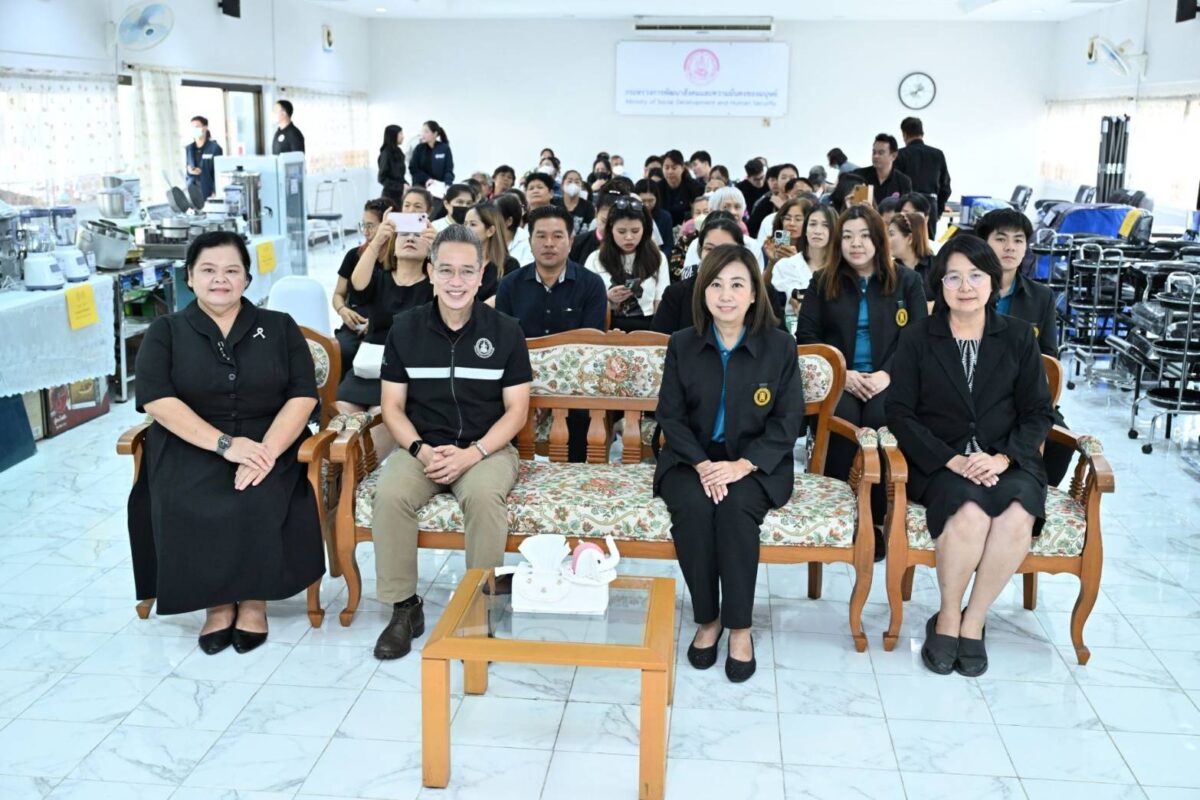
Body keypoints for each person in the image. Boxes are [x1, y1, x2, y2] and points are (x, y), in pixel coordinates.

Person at [128, 231, 323, 654]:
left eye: (232, 270)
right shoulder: (166, 331)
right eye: (209, 270)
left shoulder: (279, 327)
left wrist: (265, 452)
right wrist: (226, 445)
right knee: (189, 497)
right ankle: (216, 603)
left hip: (270, 439)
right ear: (190, 277)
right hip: (190, 441)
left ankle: (254, 600)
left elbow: (303, 396)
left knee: (261, 494)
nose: (221, 280)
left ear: (247, 279)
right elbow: (158, 400)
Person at [886, 235, 1054, 677]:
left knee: (1016, 514)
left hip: (1008, 460)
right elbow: (899, 412)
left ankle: (973, 620)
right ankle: (947, 616)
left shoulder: (1017, 336)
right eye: (953, 277)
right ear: (939, 284)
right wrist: (951, 459)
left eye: (976, 276)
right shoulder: (918, 336)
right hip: (941, 462)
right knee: (971, 514)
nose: (965, 287)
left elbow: (1039, 412)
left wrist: (1003, 458)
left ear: (993, 282)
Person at [371, 225, 532, 660]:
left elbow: (516, 411)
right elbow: (392, 407)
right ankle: (404, 608)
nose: (456, 281)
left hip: (487, 448)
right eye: (446, 270)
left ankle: (481, 606)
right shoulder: (405, 329)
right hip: (422, 446)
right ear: (430, 273)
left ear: (481, 276)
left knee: (483, 497)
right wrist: (420, 449)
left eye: (466, 271)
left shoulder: (506, 331)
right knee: (390, 494)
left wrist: (472, 454)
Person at [655, 243, 803, 683]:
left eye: (737, 285)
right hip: (691, 460)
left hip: (756, 464)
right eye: (716, 284)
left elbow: (788, 421)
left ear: (755, 293)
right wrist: (703, 465)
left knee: (736, 509)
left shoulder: (779, 346)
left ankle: (740, 627)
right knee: (693, 508)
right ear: (702, 292)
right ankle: (709, 620)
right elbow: (670, 417)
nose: (726, 295)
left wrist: (742, 466)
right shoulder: (683, 344)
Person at [796, 205, 928, 553]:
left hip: (890, 379)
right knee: (844, 419)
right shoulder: (823, 281)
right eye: (848, 236)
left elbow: (918, 338)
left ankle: (877, 519)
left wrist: (887, 374)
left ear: (879, 240)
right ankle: (840, 513)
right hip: (841, 379)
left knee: (883, 418)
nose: (856, 244)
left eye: (865, 236)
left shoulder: (908, 281)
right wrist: (843, 373)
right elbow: (806, 337)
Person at [496, 205, 607, 463]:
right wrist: (533, 393)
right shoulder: (510, 285)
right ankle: (511, 470)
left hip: (574, 385)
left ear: (571, 241)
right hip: (519, 382)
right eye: (541, 236)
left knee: (581, 414)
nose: (549, 243)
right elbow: (504, 345)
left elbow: (589, 347)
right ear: (530, 241)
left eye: (557, 236)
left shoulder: (591, 285)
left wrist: (551, 395)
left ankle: (575, 475)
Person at [975, 210, 1072, 487]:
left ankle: (1035, 494)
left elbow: (1048, 358)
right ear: (984, 243)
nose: (1010, 247)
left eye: (1018, 240)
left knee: (1060, 441)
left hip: (1023, 395)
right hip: (972, 392)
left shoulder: (1041, 297)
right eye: (1001, 239)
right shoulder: (967, 291)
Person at [336, 201, 436, 454]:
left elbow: (449, 301)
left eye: (418, 235)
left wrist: (439, 249)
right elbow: (357, 285)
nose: (410, 238)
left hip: (406, 373)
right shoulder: (379, 278)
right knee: (344, 413)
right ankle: (345, 470)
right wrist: (378, 239)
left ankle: (361, 473)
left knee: (381, 416)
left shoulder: (433, 285)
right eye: (404, 234)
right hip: (368, 368)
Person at [584, 198, 669, 332]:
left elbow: (660, 302)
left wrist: (658, 335)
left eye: (635, 231)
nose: (629, 237)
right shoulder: (595, 259)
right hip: (606, 327)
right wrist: (606, 298)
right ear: (610, 230)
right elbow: (585, 301)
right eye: (621, 232)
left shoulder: (658, 257)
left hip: (647, 329)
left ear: (645, 229)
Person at [654, 215, 750, 335]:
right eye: (709, 249)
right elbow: (658, 341)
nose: (716, 255)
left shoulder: (755, 292)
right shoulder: (676, 294)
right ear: (700, 252)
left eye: (725, 249)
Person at [332, 198, 395, 377]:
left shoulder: (399, 260)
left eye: (371, 226)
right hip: (354, 325)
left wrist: (376, 322)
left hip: (385, 327)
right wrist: (343, 310)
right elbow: (338, 294)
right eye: (363, 225)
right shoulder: (353, 256)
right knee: (343, 351)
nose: (365, 231)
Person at [896, 117, 951, 239]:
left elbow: (895, 186)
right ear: (922, 133)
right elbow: (946, 187)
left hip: (907, 207)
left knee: (906, 242)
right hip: (930, 206)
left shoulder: (900, 155)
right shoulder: (938, 154)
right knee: (927, 243)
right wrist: (938, 211)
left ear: (904, 134)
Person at [763, 198, 815, 316]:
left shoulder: (813, 250)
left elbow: (809, 291)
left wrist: (796, 262)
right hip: (773, 310)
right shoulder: (771, 246)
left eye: (798, 219)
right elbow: (764, 289)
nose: (791, 223)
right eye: (787, 218)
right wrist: (772, 262)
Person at [464, 201, 517, 304]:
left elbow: (499, 299)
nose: (466, 229)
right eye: (465, 224)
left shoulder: (509, 266)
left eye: (473, 224)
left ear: (490, 231)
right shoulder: (459, 262)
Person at [854, 134, 913, 208]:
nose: (876, 156)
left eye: (880, 153)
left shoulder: (904, 182)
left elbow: (906, 209)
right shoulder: (859, 176)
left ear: (894, 156)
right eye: (874, 152)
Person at [748, 163, 799, 238]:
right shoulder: (767, 203)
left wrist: (782, 207)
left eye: (792, 178)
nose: (788, 181)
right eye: (783, 177)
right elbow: (752, 230)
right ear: (777, 181)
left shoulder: (802, 202)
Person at [888, 211, 934, 293]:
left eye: (891, 234)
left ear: (909, 238)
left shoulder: (936, 265)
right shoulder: (890, 270)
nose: (887, 240)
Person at [661, 149, 704, 226]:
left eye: (674, 168)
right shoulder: (658, 188)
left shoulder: (695, 187)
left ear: (683, 168)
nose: (670, 171)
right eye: (666, 168)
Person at [185, 115, 223, 199]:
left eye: (197, 127)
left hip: (208, 190)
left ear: (205, 127)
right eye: (192, 128)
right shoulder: (189, 148)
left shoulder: (215, 148)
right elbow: (187, 169)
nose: (194, 130)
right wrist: (190, 170)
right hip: (192, 190)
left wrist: (215, 191)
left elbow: (218, 173)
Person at [636, 178, 674, 260]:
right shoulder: (632, 217)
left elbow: (668, 244)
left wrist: (661, 258)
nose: (647, 204)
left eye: (651, 200)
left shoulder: (665, 217)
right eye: (643, 201)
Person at [410, 120, 454, 189]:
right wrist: (427, 179)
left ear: (435, 134)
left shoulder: (444, 148)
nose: (422, 134)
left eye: (426, 132)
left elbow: (448, 170)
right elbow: (413, 168)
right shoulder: (419, 148)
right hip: (420, 187)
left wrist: (448, 184)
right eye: (422, 131)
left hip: (438, 187)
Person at [798, 204, 837, 274]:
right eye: (813, 224)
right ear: (805, 230)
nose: (817, 231)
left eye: (825, 225)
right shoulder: (786, 266)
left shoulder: (841, 269)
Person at [377, 125, 407, 206]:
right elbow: (382, 178)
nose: (403, 137)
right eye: (400, 134)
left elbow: (399, 176)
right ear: (393, 136)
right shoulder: (386, 153)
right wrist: (401, 187)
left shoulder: (398, 151)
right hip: (389, 197)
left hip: (400, 195)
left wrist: (405, 184)